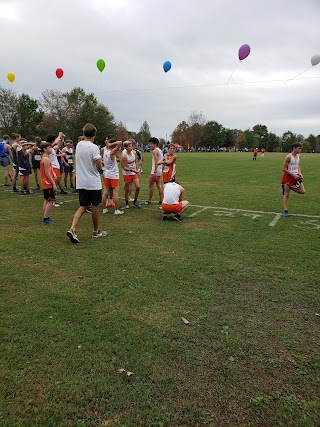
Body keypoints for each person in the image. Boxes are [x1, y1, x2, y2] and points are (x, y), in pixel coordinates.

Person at [67, 123, 107, 243]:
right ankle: (96, 231)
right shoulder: (94, 147)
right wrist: (102, 170)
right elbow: (98, 165)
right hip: (93, 182)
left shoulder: (79, 145)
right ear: (94, 134)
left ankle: (72, 228)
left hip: (81, 181)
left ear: (84, 133)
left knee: (82, 206)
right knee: (95, 206)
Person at [280, 142, 305, 217]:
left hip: (296, 176)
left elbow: (298, 166)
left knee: (302, 191)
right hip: (289, 176)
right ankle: (285, 210)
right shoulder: (288, 157)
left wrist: (300, 173)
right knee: (286, 195)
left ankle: (287, 187)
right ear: (294, 148)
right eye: (299, 148)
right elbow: (283, 168)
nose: (300, 150)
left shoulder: (299, 157)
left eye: (300, 148)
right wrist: (293, 175)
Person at [102, 138, 124, 215]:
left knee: (105, 192)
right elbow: (120, 142)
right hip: (114, 175)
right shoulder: (112, 152)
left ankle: (104, 209)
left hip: (107, 174)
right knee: (115, 193)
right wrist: (111, 144)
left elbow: (117, 159)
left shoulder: (105, 152)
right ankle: (116, 210)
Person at [141, 137, 163, 205]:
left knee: (151, 186)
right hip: (159, 171)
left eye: (151, 144)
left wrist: (155, 172)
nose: (150, 145)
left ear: (155, 144)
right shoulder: (159, 150)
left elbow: (156, 161)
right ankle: (161, 200)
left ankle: (149, 200)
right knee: (159, 185)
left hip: (155, 171)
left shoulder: (155, 151)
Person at [40, 142, 57, 224]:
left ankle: (46, 216)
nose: (51, 149)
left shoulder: (45, 157)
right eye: (49, 147)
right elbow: (47, 173)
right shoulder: (46, 159)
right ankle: (46, 218)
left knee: (47, 199)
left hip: (45, 182)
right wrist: (53, 183)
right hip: (47, 182)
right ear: (45, 149)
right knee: (51, 200)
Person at [121, 140, 141, 209]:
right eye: (129, 146)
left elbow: (135, 162)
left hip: (134, 172)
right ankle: (127, 202)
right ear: (125, 148)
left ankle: (135, 201)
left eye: (131, 145)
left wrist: (137, 170)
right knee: (127, 189)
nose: (131, 147)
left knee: (138, 187)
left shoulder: (133, 153)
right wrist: (132, 170)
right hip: (127, 173)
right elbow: (123, 167)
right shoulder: (124, 156)